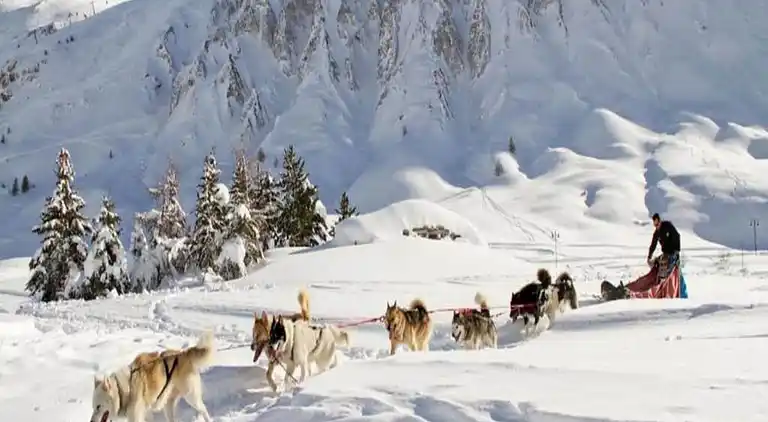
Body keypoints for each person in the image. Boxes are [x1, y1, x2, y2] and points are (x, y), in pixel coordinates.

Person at [647, 213, 681, 281]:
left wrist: (676, 250)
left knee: (668, 270)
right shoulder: (657, 233)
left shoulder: (667, 225)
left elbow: (677, 235)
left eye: (657, 224)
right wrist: (649, 256)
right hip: (666, 253)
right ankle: (656, 280)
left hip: (673, 252)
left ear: (660, 221)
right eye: (655, 225)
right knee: (657, 263)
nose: (656, 226)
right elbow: (653, 244)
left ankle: (667, 280)